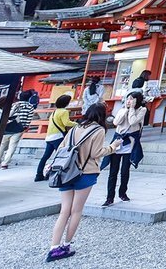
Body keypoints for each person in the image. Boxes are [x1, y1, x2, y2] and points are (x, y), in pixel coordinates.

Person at [45, 103, 122, 262]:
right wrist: (113, 147)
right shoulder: (99, 130)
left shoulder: (74, 129)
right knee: (76, 210)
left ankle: (53, 248)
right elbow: (96, 153)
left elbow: (61, 148)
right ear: (101, 116)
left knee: (64, 210)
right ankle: (66, 245)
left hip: (66, 172)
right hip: (85, 172)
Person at [102, 91, 146, 206]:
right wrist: (126, 110)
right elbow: (116, 122)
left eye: (132, 99)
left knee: (125, 171)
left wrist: (131, 109)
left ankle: (123, 193)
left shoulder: (142, 110)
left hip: (130, 144)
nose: (129, 101)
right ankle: (109, 197)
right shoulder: (122, 110)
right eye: (128, 98)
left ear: (137, 100)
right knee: (113, 172)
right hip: (118, 143)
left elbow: (133, 121)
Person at [36, 95, 76, 182]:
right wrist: (77, 124)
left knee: (45, 157)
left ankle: (39, 174)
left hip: (50, 137)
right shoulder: (64, 112)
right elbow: (66, 123)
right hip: (58, 137)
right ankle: (58, 174)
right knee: (62, 156)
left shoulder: (54, 112)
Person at [0, 90, 37, 169]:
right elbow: (29, 118)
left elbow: (8, 115)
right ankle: (5, 163)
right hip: (19, 128)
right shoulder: (30, 107)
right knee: (12, 146)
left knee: (2, 145)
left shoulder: (14, 105)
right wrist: (25, 126)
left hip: (8, 126)